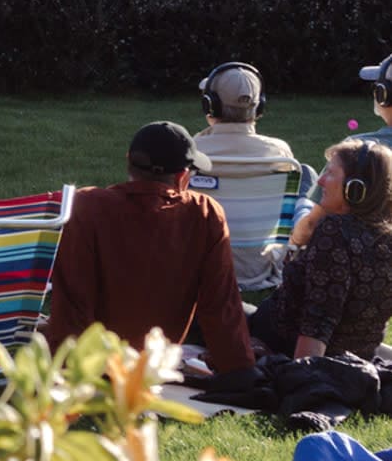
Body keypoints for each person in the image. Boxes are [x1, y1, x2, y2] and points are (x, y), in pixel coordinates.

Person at [41, 121, 253, 374]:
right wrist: (238, 369)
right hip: (153, 361)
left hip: (89, 363)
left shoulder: (87, 207)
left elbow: (73, 299)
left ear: (128, 161)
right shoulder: (204, 214)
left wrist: (70, 369)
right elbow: (220, 303)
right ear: (182, 176)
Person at [247, 141, 392, 361]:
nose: (321, 181)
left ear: (355, 188)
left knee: (212, 308)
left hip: (283, 344)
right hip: (357, 355)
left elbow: (319, 320)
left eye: (331, 174)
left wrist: (298, 374)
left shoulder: (335, 232)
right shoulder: (384, 237)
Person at [191, 62, 301, 290]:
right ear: (259, 106)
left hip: (203, 269)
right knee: (306, 173)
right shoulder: (280, 153)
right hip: (259, 266)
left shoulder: (192, 151)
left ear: (209, 105)